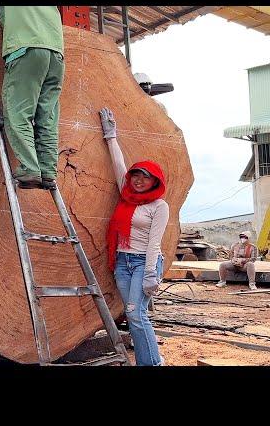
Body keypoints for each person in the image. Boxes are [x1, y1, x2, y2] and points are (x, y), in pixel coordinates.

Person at [99, 107, 169, 366]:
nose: (139, 181)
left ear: (155, 182)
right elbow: (118, 166)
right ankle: (149, 359)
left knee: (136, 313)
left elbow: (154, 243)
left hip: (144, 262)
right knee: (133, 316)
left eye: (145, 178)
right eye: (136, 176)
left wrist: (151, 273)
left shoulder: (159, 206)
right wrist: (111, 135)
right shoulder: (126, 194)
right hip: (123, 263)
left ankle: (152, 363)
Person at [0, 6, 65, 189]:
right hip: (56, 54)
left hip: (25, 49)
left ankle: (30, 168)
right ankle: (48, 171)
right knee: (47, 116)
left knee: (18, 112)